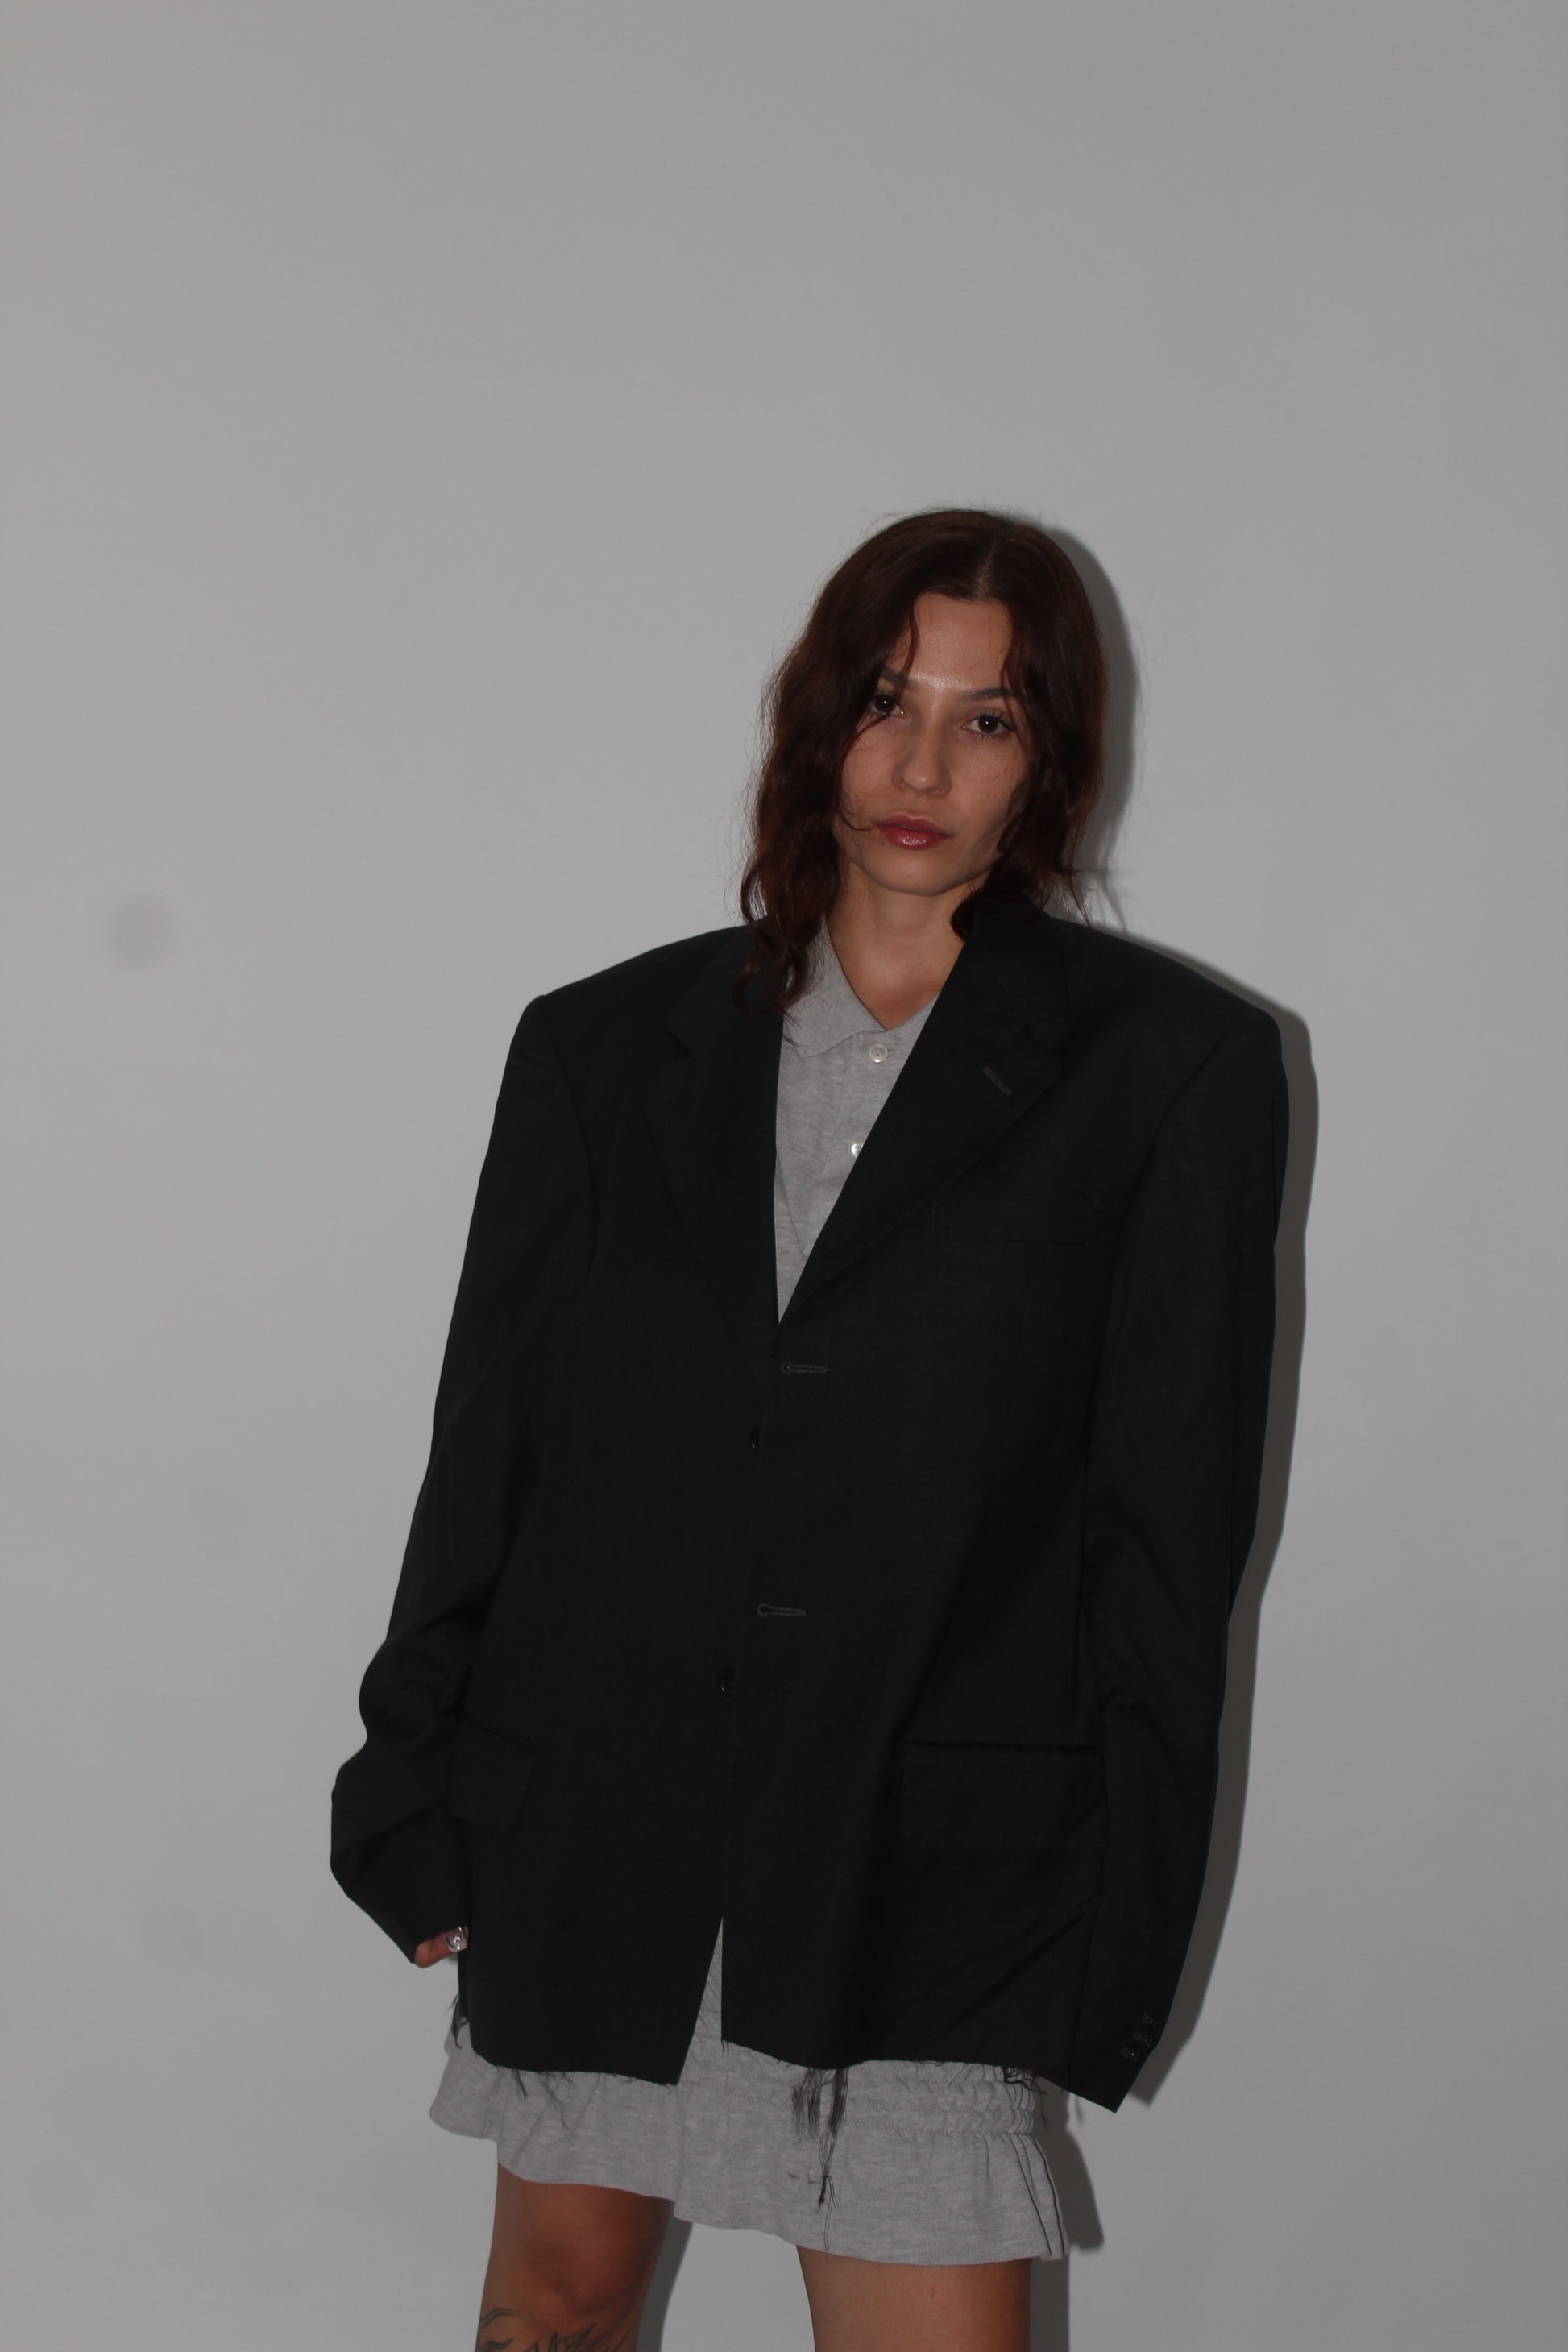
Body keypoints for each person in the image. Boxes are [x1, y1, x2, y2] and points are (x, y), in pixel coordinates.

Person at [330, 507, 1288, 2351]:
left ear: (1050, 758)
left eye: (986, 718)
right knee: (557, 2308)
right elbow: (490, 1455)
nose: (921, 766)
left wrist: (1118, 1913)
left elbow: (1169, 1538)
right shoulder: (603, 1047)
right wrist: (410, 1778)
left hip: (920, 1855)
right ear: (813, 722)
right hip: (600, 1813)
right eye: (883, 703)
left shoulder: (1166, 1071)